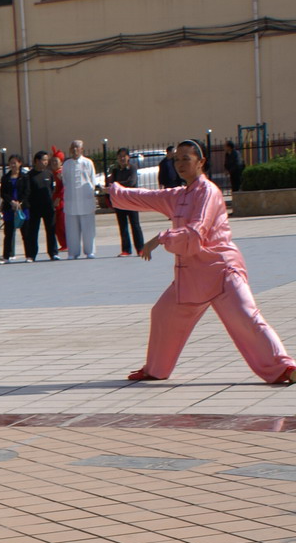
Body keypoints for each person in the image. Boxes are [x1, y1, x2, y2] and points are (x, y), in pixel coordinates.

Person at [108, 139, 294, 385]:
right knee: (163, 313)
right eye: (177, 159)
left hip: (222, 271)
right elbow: (148, 196)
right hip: (192, 276)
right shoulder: (178, 195)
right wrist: (115, 191)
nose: (180, 164)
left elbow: (197, 231)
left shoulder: (209, 192)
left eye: (186, 158)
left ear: (201, 162)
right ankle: (156, 369)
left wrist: (162, 237)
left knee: (247, 317)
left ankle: (285, 368)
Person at [106, 148, 146, 256]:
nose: (122, 158)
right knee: (123, 226)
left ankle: (140, 248)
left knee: (135, 225)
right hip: (119, 202)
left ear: (128, 157)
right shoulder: (115, 171)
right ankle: (126, 250)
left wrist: (117, 185)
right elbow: (111, 184)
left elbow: (131, 182)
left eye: (124, 156)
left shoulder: (132, 168)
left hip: (131, 201)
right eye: (120, 156)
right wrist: (115, 185)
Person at [62, 140, 98, 258]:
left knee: (88, 228)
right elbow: (65, 181)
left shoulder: (88, 162)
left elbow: (92, 180)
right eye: (72, 147)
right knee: (71, 229)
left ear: (82, 149)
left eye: (77, 147)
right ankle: (73, 252)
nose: (75, 150)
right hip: (71, 201)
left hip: (85, 201)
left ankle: (90, 251)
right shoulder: (66, 164)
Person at [23, 151, 58, 262]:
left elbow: (52, 189)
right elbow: (27, 192)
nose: (46, 162)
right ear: (37, 161)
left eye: (47, 160)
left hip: (48, 207)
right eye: (44, 160)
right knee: (33, 232)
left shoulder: (49, 174)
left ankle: (53, 253)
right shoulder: (29, 175)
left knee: (51, 230)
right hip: (34, 208)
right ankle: (31, 255)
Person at [0, 155, 26, 263]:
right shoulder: (6, 178)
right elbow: (3, 193)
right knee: (8, 233)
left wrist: (20, 202)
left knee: (25, 232)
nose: (13, 165)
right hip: (9, 208)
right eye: (11, 163)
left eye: (15, 163)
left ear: (20, 163)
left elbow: (27, 191)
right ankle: (7, 256)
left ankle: (29, 255)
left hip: (22, 208)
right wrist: (11, 202)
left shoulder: (24, 177)